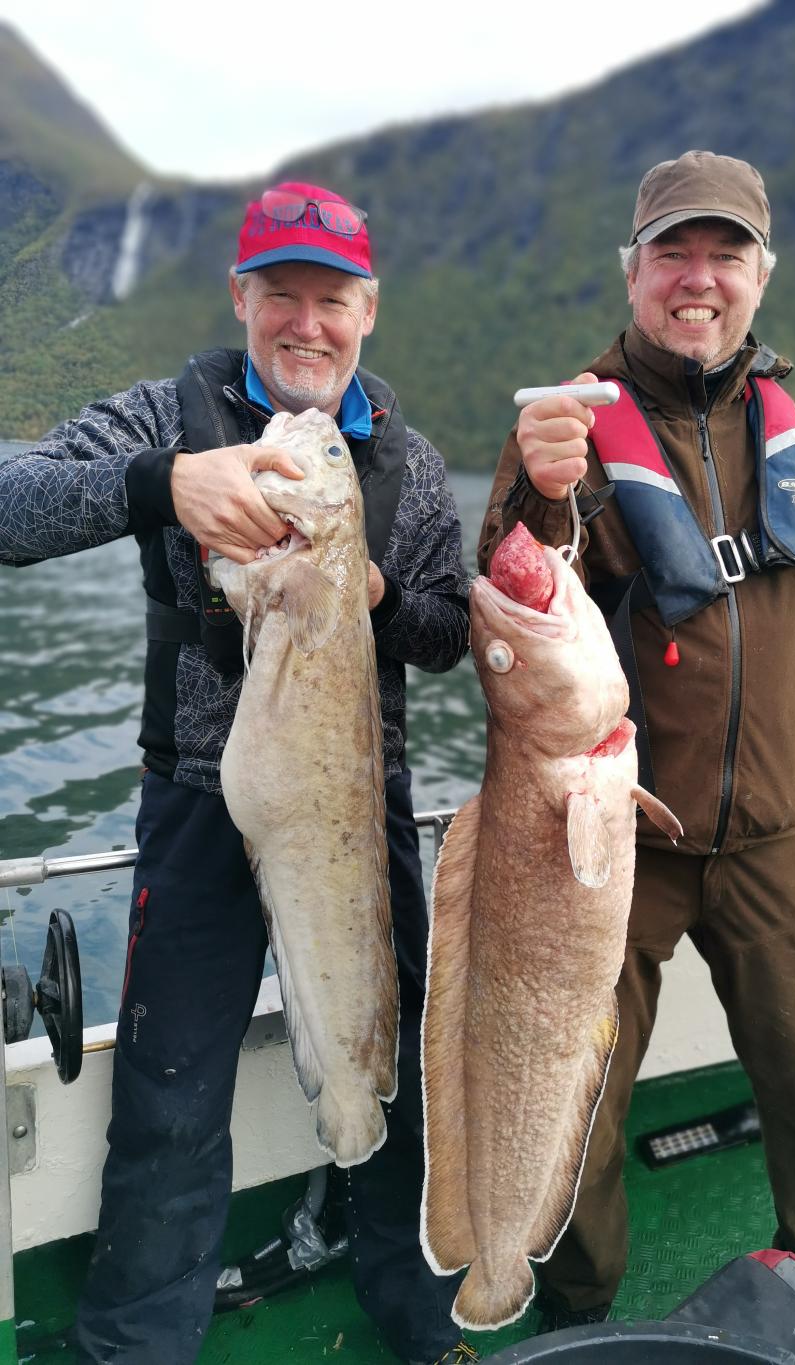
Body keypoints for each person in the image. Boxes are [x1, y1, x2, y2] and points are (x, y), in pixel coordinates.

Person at [0, 181, 476, 1365]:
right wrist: (163, 482)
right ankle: (136, 1343)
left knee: (395, 1056)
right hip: (198, 801)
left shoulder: (409, 467)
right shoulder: (169, 415)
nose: (306, 324)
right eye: (281, 295)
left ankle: (422, 1312)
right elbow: (9, 508)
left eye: (332, 300)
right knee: (169, 1090)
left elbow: (447, 632)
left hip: (356, 805)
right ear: (240, 298)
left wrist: (375, 593)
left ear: (367, 311)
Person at [479, 150, 795, 1364]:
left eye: (724, 254)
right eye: (672, 251)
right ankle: (576, 1314)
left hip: (773, 837)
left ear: (760, 275)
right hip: (613, 840)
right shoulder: (564, 428)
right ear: (631, 271)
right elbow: (510, 611)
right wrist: (539, 493)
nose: (697, 278)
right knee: (579, 1109)